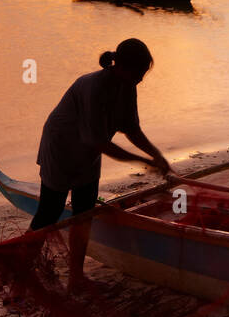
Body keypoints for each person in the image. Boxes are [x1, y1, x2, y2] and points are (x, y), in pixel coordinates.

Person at [31, 39, 172, 284]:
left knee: (84, 214)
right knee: (49, 213)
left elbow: (132, 129)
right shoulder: (92, 87)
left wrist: (156, 155)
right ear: (122, 67)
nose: (140, 79)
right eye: (138, 73)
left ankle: (76, 277)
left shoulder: (128, 86)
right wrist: (143, 161)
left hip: (88, 151)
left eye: (143, 74)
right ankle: (24, 267)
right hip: (61, 147)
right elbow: (100, 143)